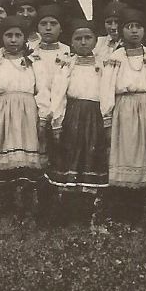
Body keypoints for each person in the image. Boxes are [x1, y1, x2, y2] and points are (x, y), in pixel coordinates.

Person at [99, 7, 146, 222]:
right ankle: (124, 214)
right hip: (124, 110)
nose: (134, 31)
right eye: (129, 27)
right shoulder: (115, 57)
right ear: (121, 31)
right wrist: (108, 117)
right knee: (126, 156)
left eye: (138, 27)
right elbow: (107, 89)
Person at [0, 17, 49, 220]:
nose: (13, 40)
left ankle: (27, 210)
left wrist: (43, 118)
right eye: (8, 35)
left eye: (17, 35)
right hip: (2, 115)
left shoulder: (34, 62)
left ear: (24, 38)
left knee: (26, 165)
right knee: (4, 162)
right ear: (2, 37)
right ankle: (4, 210)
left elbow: (43, 90)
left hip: (27, 115)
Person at [46, 19, 110, 224]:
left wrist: (106, 118)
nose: (83, 42)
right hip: (73, 116)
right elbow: (58, 93)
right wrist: (57, 121)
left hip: (95, 117)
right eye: (78, 38)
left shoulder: (103, 64)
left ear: (95, 41)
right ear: (71, 41)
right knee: (70, 156)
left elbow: (107, 93)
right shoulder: (66, 63)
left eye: (88, 38)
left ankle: (87, 211)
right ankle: (66, 211)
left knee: (91, 157)